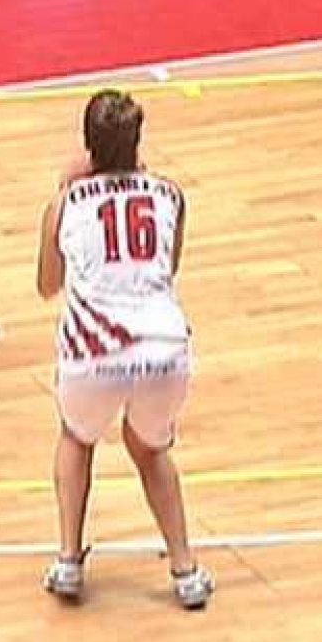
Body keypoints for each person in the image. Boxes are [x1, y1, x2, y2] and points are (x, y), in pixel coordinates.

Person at [35, 89, 214, 609]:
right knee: (151, 449)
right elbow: (168, 268)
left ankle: (69, 560)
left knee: (76, 437)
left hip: (95, 352)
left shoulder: (64, 203)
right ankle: (186, 570)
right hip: (164, 346)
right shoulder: (171, 195)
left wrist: (65, 195)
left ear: (87, 147)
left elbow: (48, 285)